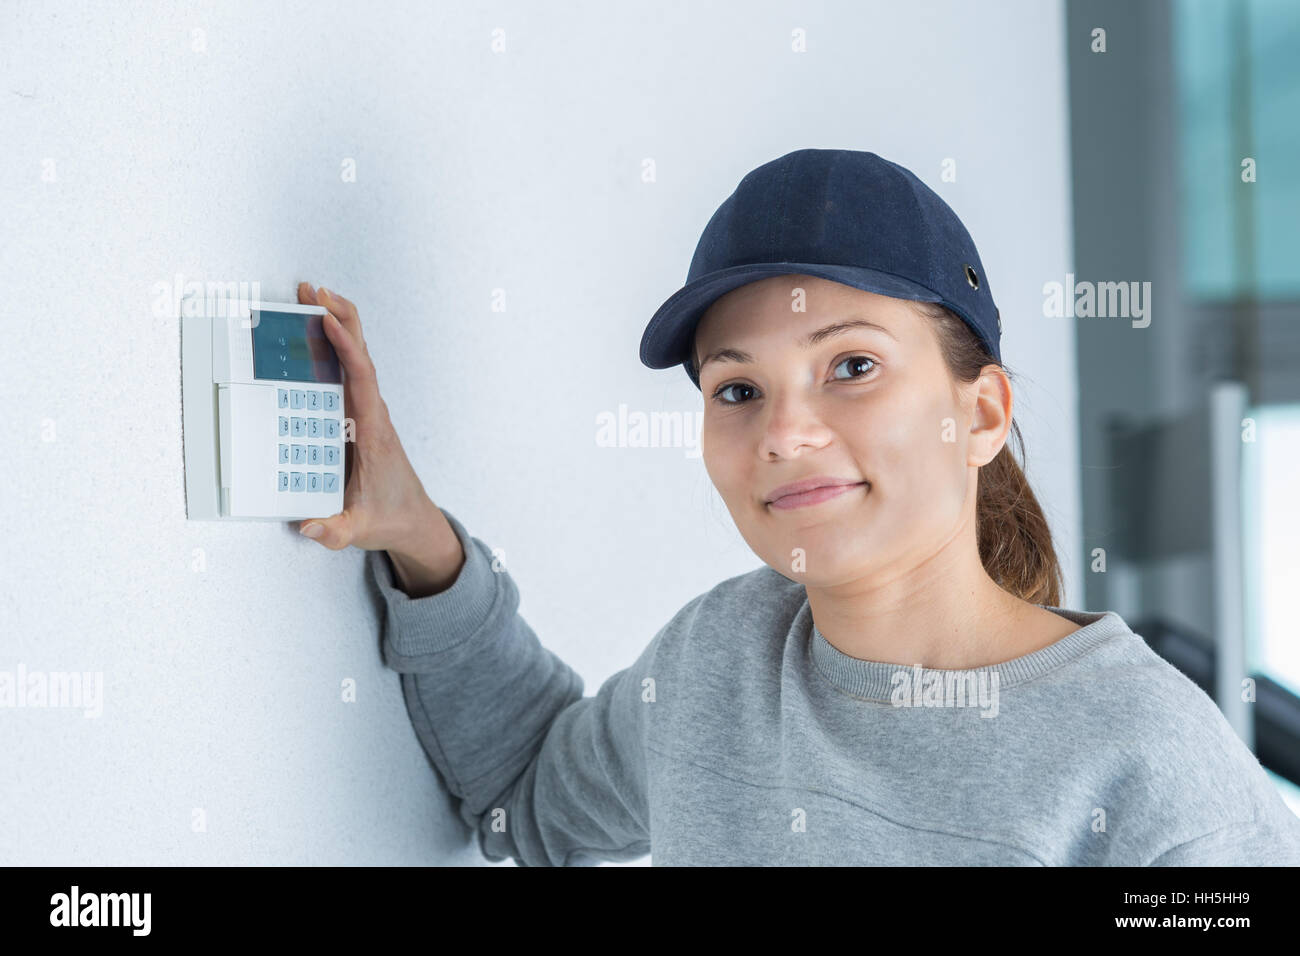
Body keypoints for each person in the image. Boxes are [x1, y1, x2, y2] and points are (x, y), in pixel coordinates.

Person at [295, 149, 1300, 866]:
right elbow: (526, 796)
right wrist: (415, 531)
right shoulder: (717, 663)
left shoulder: (1149, 764)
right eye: (737, 389)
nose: (785, 432)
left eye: (850, 365)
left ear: (981, 411)